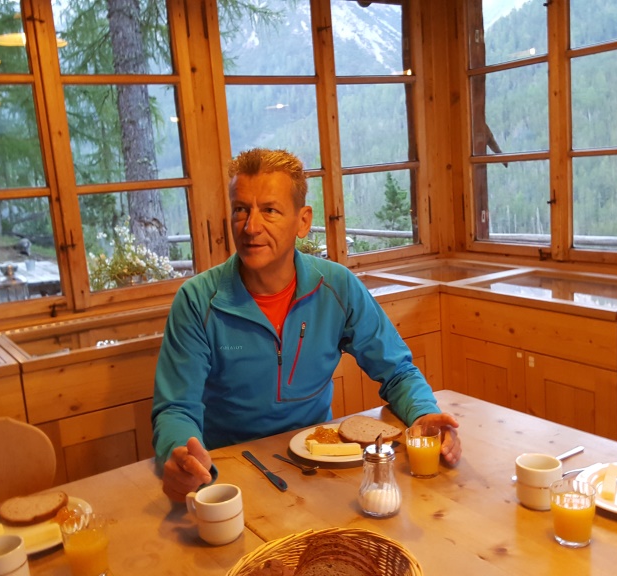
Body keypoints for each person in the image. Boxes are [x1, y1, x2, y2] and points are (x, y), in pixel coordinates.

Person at [152, 148, 461, 502]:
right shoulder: (196, 300)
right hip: (227, 477)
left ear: (303, 222)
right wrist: (181, 455)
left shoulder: (338, 286)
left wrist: (424, 414)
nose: (251, 227)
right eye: (240, 209)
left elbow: (398, 372)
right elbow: (176, 408)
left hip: (320, 468)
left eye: (269, 210)